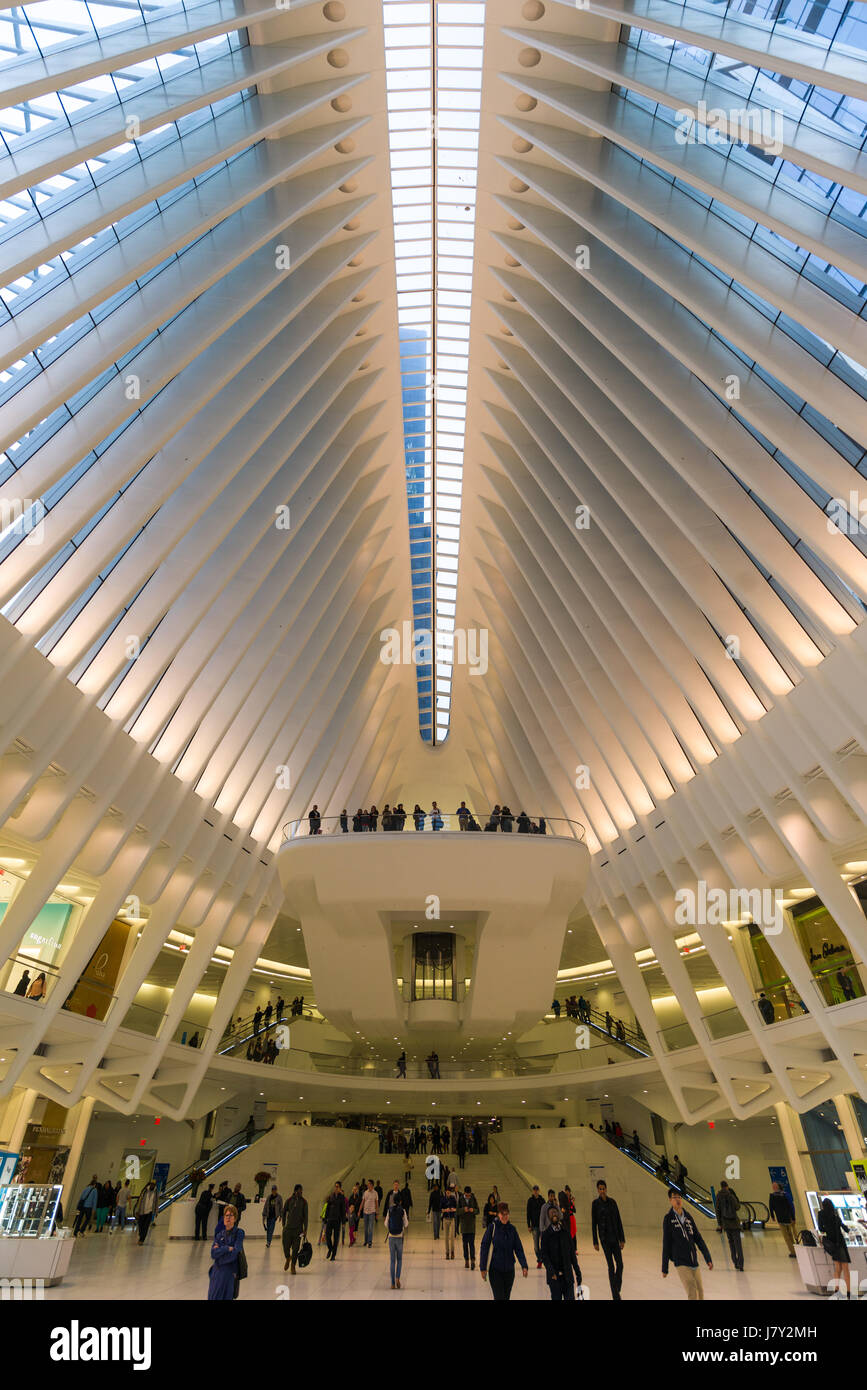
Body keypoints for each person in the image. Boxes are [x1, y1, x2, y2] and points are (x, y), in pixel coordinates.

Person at [661, 1189, 713, 1299]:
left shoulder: (688, 1217)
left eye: (679, 1197)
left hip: (693, 1260)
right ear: (670, 1200)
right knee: (692, 1291)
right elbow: (666, 1243)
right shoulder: (668, 1219)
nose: (678, 1200)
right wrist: (664, 1268)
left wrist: (707, 1258)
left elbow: (698, 1238)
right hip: (681, 1262)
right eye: (675, 1197)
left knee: (700, 1292)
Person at [480, 1203, 528, 1300]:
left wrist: (524, 1265)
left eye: (507, 1214)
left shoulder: (512, 1229)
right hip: (495, 1270)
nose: (505, 1217)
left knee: (506, 1297)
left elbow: (518, 1248)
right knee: (499, 1297)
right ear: (498, 1214)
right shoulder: (492, 1228)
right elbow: (484, 1247)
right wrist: (483, 1267)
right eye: (502, 1214)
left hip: (509, 1271)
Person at [591, 1179, 625, 1300]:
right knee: (611, 1266)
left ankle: (616, 1287)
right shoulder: (595, 1204)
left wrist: (622, 1238)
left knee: (620, 1265)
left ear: (606, 1189)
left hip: (615, 1238)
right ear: (598, 1190)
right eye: (600, 1189)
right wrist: (595, 1241)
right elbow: (594, 1223)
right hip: (604, 1239)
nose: (602, 1191)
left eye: (603, 1188)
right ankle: (615, 1295)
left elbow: (619, 1220)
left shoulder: (613, 1202)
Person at [540, 1201, 581, 1300]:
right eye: (551, 1213)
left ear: (558, 1214)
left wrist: (577, 1271)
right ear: (548, 1217)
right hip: (554, 1278)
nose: (553, 1213)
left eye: (555, 1212)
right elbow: (544, 1256)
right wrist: (551, 1271)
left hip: (568, 1277)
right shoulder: (546, 1235)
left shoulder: (566, 1233)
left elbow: (572, 1254)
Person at [208, 1203, 245, 1301]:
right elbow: (213, 1253)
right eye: (226, 1215)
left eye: (231, 1215)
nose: (228, 1218)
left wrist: (220, 1254)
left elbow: (235, 1253)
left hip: (229, 1272)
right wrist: (226, 1248)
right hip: (217, 1272)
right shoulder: (219, 1234)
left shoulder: (239, 1233)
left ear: (235, 1218)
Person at [818, 1197, 851, 1290]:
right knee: (845, 1267)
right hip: (839, 1241)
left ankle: (836, 1288)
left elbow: (821, 1228)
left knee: (838, 1267)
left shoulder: (821, 1214)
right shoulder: (835, 1214)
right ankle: (848, 1290)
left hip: (831, 1242)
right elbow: (843, 1226)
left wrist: (827, 1229)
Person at [715, 1180, 744, 1271]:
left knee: (731, 1243)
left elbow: (718, 1210)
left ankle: (735, 1262)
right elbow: (737, 1207)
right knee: (738, 1244)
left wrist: (720, 1223)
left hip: (726, 1224)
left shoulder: (718, 1196)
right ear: (727, 1186)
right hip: (734, 1223)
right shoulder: (730, 1195)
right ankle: (741, 1264)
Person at [282, 1184, 308, 1274]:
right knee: (285, 1247)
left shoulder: (304, 1202)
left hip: (298, 1230)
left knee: (296, 1249)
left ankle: (293, 1266)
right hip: (288, 1229)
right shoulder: (289, 1200)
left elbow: (306, 1217)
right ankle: (288, 1258)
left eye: (302, 1191)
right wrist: (283, 1224)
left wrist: (305, 1230)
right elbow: (284, 1211)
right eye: (300, 1191)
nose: (301, 1193)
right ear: (295, 1191)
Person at [386, 1189, 408, 1289]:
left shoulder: (389, 1210)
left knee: (392, 1261)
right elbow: (406, 1224)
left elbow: (386, 1224)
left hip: (391, 1237)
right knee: (399, 1259)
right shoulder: (403, 1210)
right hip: (399, 1237)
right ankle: (398, 1277)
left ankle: (392, 1283)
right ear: (400, 1201)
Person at [769, 1181, 797, 1258]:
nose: (773, 1187)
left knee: (789, 1235)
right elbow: (771, 1207)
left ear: (778, 1186)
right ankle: (793, 1251)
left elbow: (791, 1206)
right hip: (782, 1218)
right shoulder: (778, 1195)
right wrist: (772, 1215)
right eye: (773, 1186)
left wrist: (793, 1217)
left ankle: (794, 1250)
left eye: (775, 1186)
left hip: (787, 1217)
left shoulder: (782, 1195)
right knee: (787, 1235)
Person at [459, 1185, 479, 1269]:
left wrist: (473, 1210)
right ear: (464, 1193)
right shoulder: (460, 1199)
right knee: (464, 1244)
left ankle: (473, 1261)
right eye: (466, 1195)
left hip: (471, 1225)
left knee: (471, 1244)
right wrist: (463, 1209)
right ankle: (466, 1260)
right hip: (464, 1225)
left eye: (469, 1195)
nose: (468, 1196)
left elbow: (478, 1210)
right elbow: (457, 1211)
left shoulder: (473, 1198)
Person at [324, 1182, 346, 1261]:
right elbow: (327, 1208)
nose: (336, 1188)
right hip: (330, 1219)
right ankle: (330, 1249)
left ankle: (333, 1255)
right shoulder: (331, 1196)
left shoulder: (342, 1197)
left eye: (337, 1187)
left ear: (340, 1188)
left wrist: (343, 1222)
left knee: (336, 1238)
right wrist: (325, 1218)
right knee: (327, 1236)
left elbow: (343, 1210)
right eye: (335, 1186)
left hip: (337, 1220)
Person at [527, 1183, 545, 1268]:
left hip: (542, 1226)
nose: (535, 1191)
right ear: (533, 1191)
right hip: (534, 1226)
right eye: (534, 1190)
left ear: (539, 1191)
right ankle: (539, 1259)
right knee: (536, 1246)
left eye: (537, 1190)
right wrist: (528, 1225)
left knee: (543, 1244)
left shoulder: (542, 1200)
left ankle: (543, 1259)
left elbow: (545, 1212)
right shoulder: (530, 1201)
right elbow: (528, 1213)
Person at [136, 1181, 158, 1245]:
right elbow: (140, 1200)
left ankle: (142, 1240)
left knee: (146, 1226)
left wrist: (156, 1211)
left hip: (150, 1212)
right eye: (152, 1184)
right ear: (150, 1184)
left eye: (154, 1185)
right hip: (142, 1211)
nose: (152, 1186)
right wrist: (137, 1210)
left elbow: (156, 1202)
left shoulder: (156, 1193)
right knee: (140, 1225)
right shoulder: (145, 1191)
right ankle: (141, 1234)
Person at [441, 1180, 458, 1260]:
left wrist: (452, 1209)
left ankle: (452, 1252)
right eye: (447, 1192)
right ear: (445, 1192)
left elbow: (456, 1208)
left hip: (452, 1219)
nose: (448, 1193)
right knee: (446, 1237)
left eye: (449, 1192)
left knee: (452, 1237)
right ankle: (447, 1252)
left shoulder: (453, 1198)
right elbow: (441, 1209)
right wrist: (445, 1210)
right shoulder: (443, 1199)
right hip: (445, 1219)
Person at [262, 1185, 283, 1249]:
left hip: (274, 1216)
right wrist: (264, 1214)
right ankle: (268, 1240)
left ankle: (268, 1242)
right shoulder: (269, 1197)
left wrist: (281, 1216)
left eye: (275, 1190)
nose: (274, 1191)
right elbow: (266, 1206)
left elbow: (281, 1207)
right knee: (268, 1229)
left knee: (271, 1229)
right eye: (273, 1190)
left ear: (276, 1190)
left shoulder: (279, 1197)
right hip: (268, 1215)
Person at [360, 1178, 378, 1247]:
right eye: (367, 1184)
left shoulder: (375, 1193)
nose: (368, 1185)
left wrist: (377, 1212)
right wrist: (359, 1210)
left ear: (372, 1185)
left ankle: (370, 1242)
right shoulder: (365, 1192)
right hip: (365, 1212)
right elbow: (363, 1202)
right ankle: (366, 1241)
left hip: (372, 1212)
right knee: (366, 1228)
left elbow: (376, 1203)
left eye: (369, 1184)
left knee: (370, 1228)